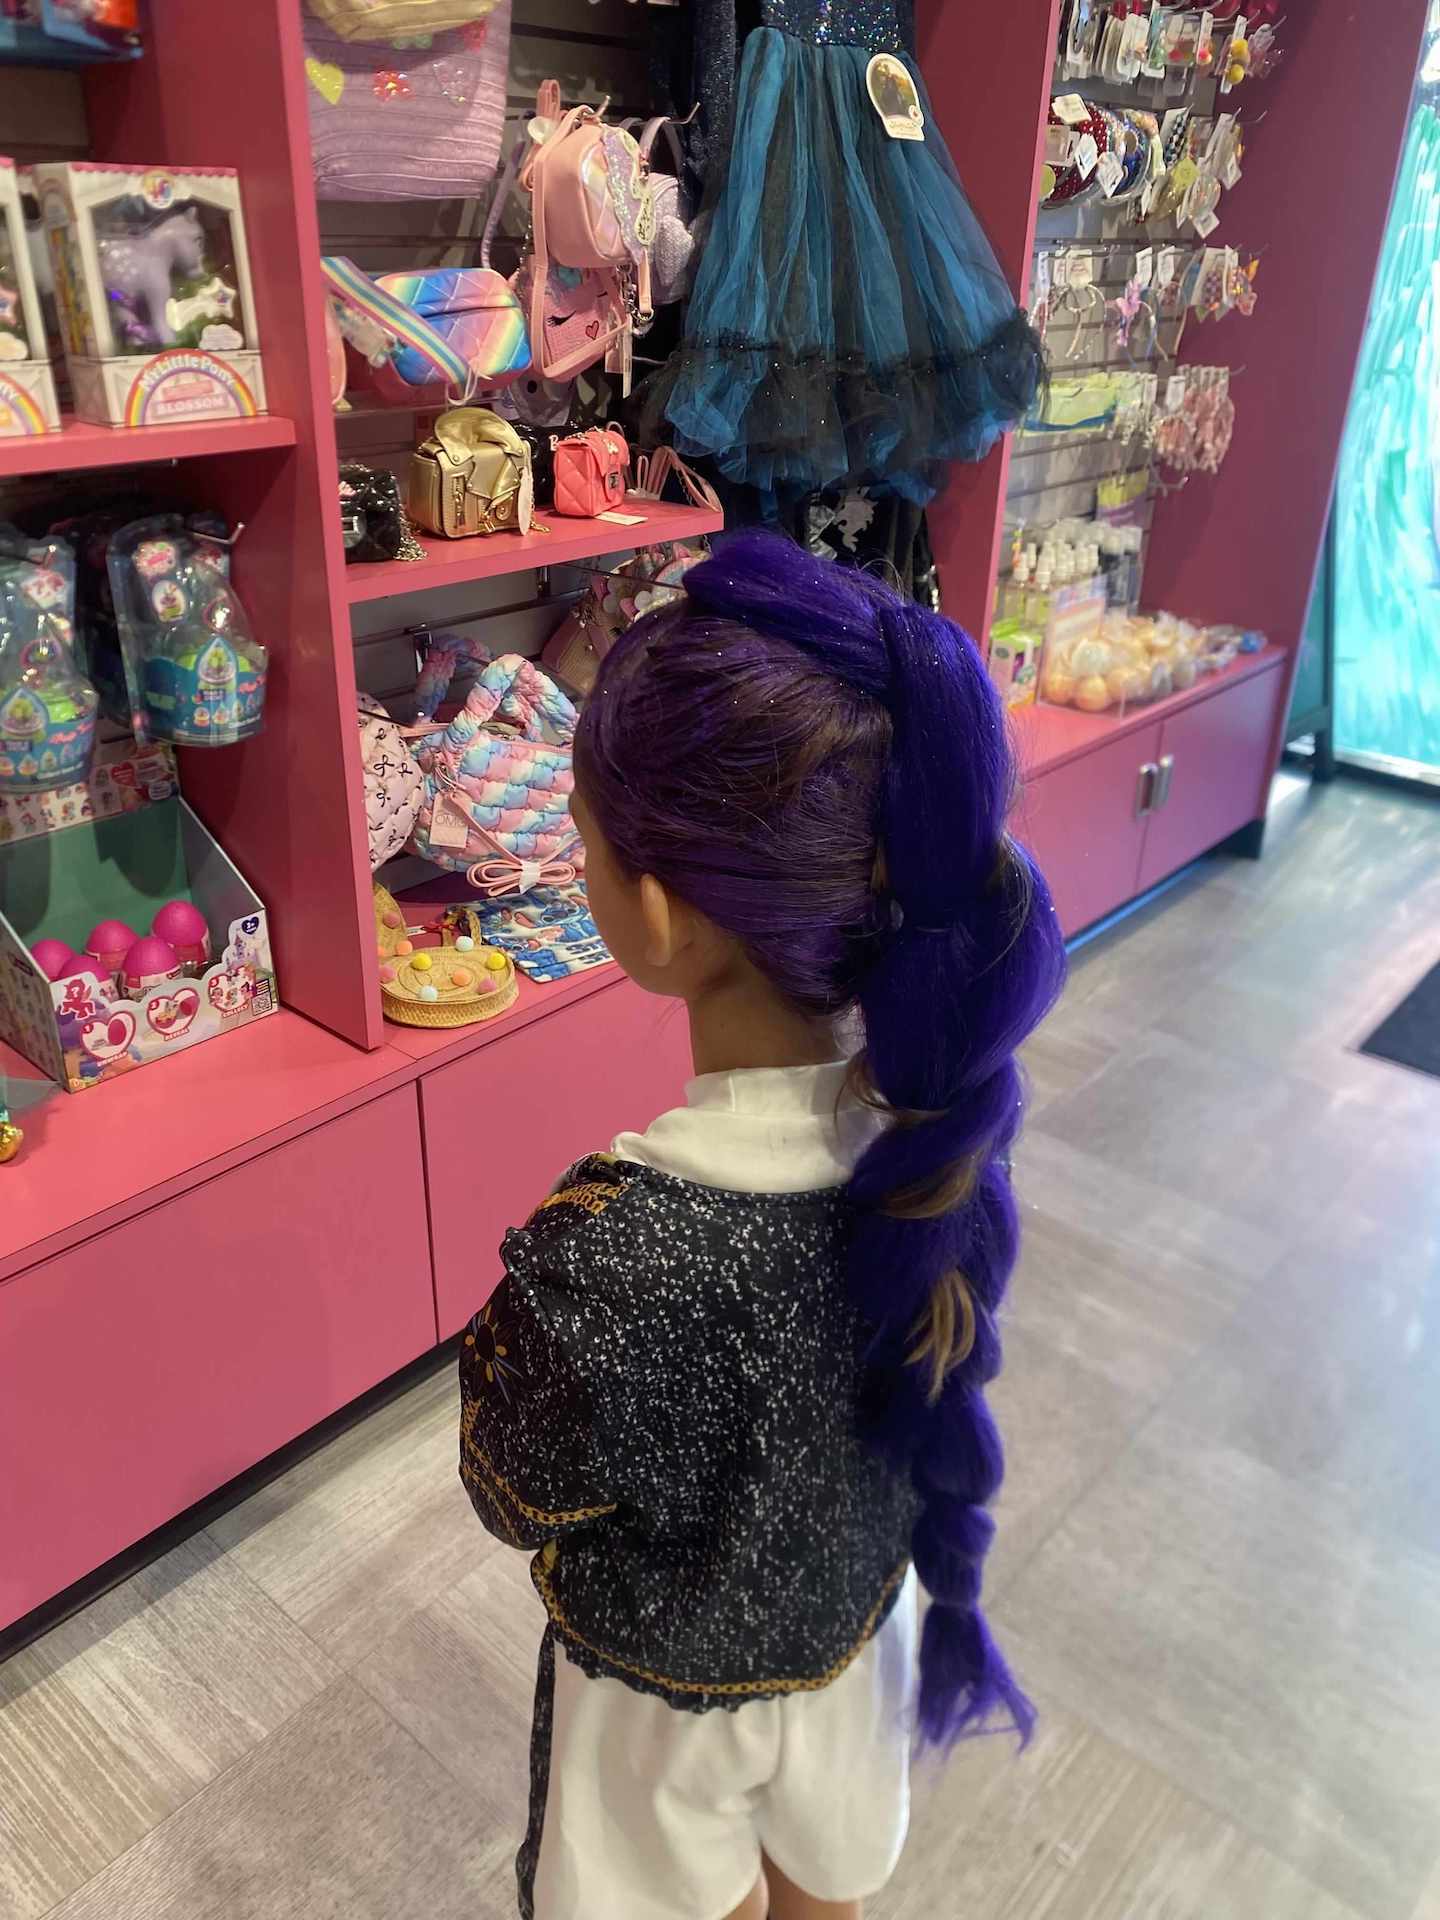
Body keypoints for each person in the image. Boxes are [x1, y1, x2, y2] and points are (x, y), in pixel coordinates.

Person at [457, 531, 1066, 1920]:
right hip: (862, 1632)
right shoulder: (933, 1145)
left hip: (664, 1705)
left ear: (656, 916)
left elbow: (513, 1490)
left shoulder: (609, 1253)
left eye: (584, 845)